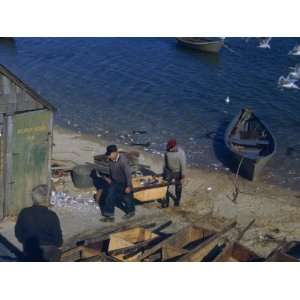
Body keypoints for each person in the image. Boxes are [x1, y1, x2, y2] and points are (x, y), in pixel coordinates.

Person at [15, 184, 63, 262]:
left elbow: (18, 233)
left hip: (29, 250)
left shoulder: (24, 212)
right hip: (48, 253)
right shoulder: (51, 215)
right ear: (46, 199)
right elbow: (58, 240)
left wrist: (26, 243)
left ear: (33, 198)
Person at [101, 145, 135, 222]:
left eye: (109, 155)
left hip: (125, 182)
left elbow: (128, 174)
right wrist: (109, 178)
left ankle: (131, 212)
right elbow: (111, 169)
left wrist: (128, 186)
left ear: (114, 153)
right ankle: (109, 216)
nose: (108, 157)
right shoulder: (110, 159)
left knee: (127, 198)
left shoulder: (123, 161)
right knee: (110, 196)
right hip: (115, 181)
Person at [162, 139, 186, 208]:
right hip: (169, 171)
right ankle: (166, 203)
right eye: (169, 147)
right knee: (165, 186)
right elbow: (165, 163)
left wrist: (183, 176)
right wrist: (164, 172)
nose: (169, 149)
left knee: (178, 188)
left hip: (178, 172)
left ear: (175, 146)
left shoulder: (181, 153)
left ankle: (177, 202)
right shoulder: (167, 152)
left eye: (171, 147)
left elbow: (183, 165)